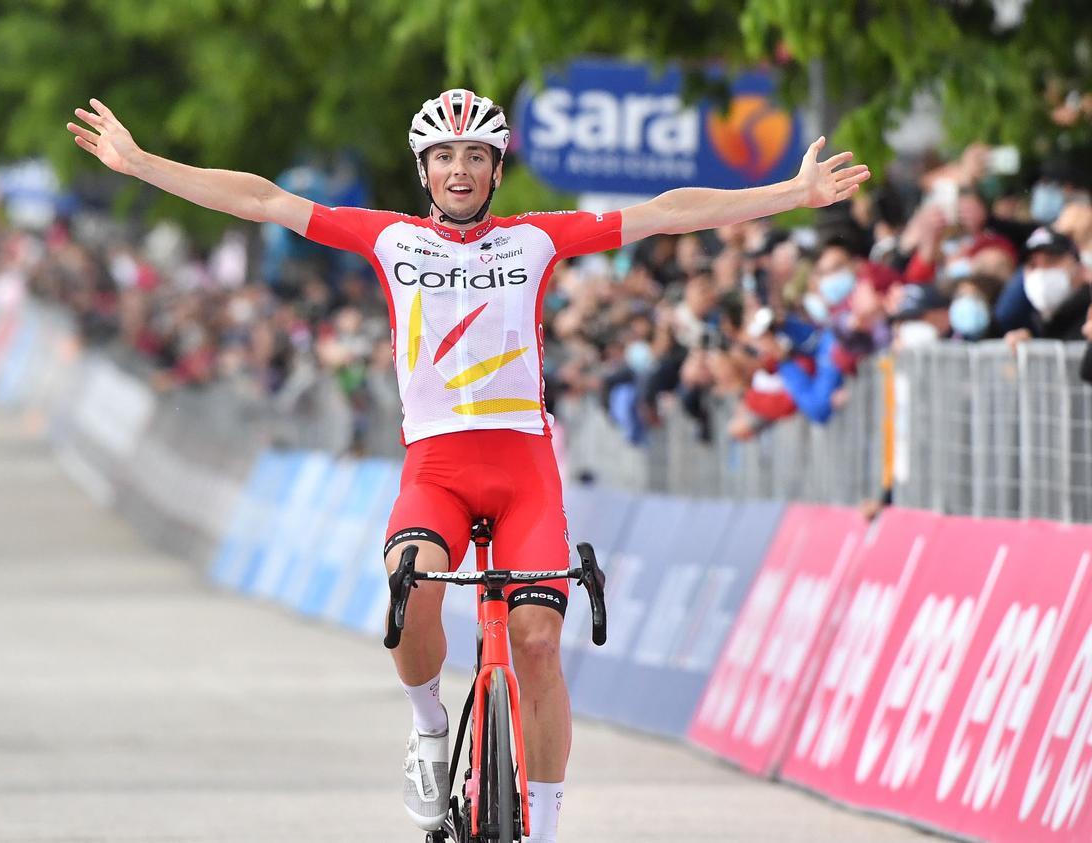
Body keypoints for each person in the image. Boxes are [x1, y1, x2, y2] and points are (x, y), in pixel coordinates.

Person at [67, 89, 868, 841]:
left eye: (476, 156)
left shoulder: (535, 240)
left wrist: (788, 195)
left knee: (539, 643)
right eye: (445, 156)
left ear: (495, 168)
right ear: (425, 171)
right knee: (408, 583)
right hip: (437, 467)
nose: (460, 170)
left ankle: (546, 824)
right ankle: (427, 727)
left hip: (523, 464)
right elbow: (263, 199)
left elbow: (664, 213)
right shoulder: (387, 237)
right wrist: (142, 165)